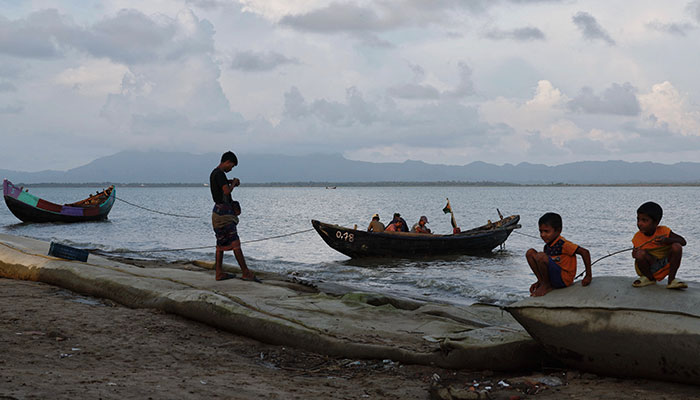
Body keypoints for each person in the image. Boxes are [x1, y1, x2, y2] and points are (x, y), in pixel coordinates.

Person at [210, 151, 260, 283]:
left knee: (220, 244)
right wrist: (232, 185)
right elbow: (226, 191)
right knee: (235, 243)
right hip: (224, 215)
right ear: (227, 162)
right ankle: (245, 272)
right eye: (231, 166)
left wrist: (231, 182)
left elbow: (221, 186)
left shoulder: (215, 173)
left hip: (217, 213)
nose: (231, 169)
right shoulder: (220, 173)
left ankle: (219, 273)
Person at [525, 212, 592, 297]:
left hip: (563, 279)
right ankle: (542, 282)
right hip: (554, 276)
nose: (542, 235)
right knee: (530, 253)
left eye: (546, 231)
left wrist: (588, 275)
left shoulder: (564, 244)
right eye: (540, 231)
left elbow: (585, 252)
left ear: (558, 230)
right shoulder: (548, 246)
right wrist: (540, 280)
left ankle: (546, 285)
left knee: (541, 256)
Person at [631, 201, 687, 289]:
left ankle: (671, 280)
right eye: (638, 219)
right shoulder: (637, 237)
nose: (640, 223)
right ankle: (649, 278)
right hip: (649, 267)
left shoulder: (664, 232)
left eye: (644, 220)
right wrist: (634, 254)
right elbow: (634, 255)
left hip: (665, 264)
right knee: (640, 254)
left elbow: (683, 241)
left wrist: (667, 240)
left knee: (677, 246)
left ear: (656, 222)